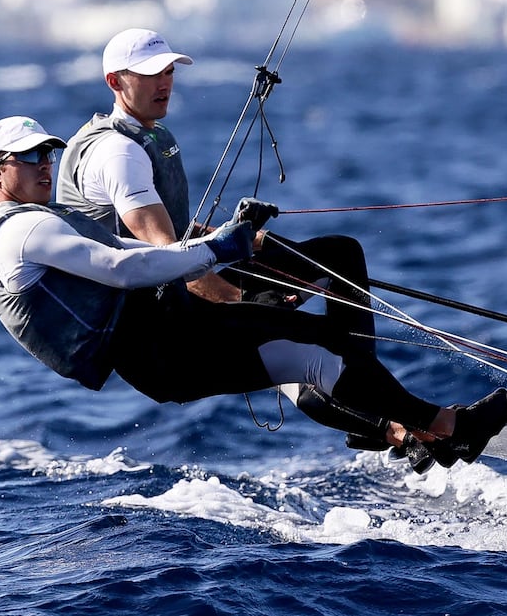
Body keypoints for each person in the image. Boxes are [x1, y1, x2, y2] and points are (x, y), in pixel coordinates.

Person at [0, 115, 507, 470]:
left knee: (315, 355)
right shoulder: (28, 230)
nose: (44, 165)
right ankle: (442, 427)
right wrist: (219, 250)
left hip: (161, 349)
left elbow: (134, 252)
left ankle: (408, 430)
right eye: (29, 159)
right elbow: (121, 269)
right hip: (163, 348)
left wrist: (222, 242)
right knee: (323, 347)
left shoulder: (37, 222)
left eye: (48, 155)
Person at [55, 28, 435, 468]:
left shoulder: (148, 136)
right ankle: (384, 414)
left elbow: (177, 232)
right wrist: (245, 299)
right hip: (162, 314)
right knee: (298, 341)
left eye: (168, 70)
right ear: (115, 81)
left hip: (183, 277)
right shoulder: (115, 153)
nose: (163, 82)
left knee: (338, 256)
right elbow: (169, 256)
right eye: (148, 74)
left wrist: (238, 237)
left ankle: (367, 405)